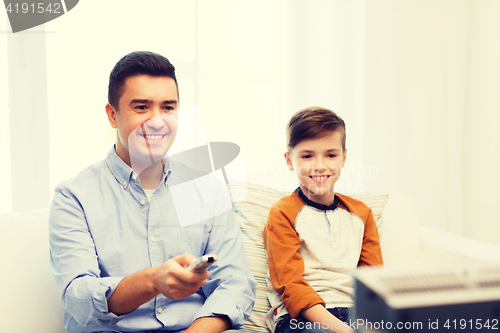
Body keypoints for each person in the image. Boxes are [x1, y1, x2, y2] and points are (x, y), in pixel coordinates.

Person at [49, 51, 256, 333]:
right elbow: (79, 297)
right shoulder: (73, 197)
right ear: (112, 114)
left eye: (168, 107)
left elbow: (235, 282)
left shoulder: (208, 191)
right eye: (141, 107)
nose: (157, 121)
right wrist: (151, 281)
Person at [263, 107, 383, 333]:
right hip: (301, 319)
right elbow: (292, 287)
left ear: (344, 157)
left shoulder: (362, 213)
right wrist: (343, 330)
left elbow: (373, 283)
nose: (319, 165)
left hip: (356, 315)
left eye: (331, 155)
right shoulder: (282, 212)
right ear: (290, 160)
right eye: (307, 156)